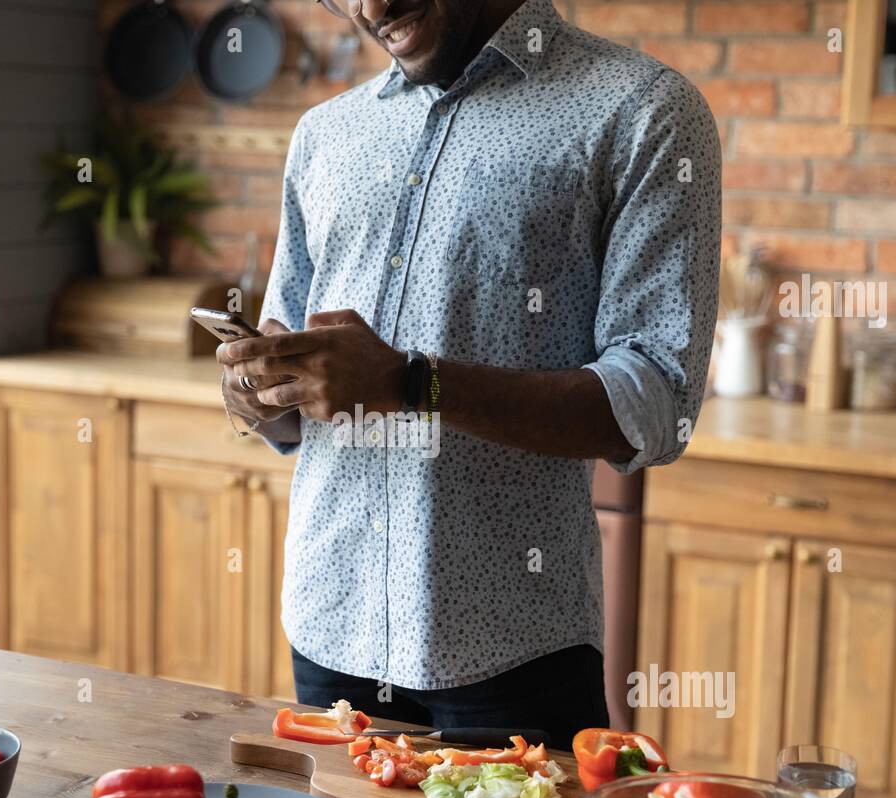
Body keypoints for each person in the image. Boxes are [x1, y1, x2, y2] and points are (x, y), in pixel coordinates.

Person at [215, 0, 720, 748]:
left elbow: (656, 400)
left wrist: (410, 384)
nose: (370, 7)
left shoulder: (641, 110)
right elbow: (298, 385)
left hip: (514, 653)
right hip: (330, 627)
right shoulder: (324, 135)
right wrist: (259, 389)